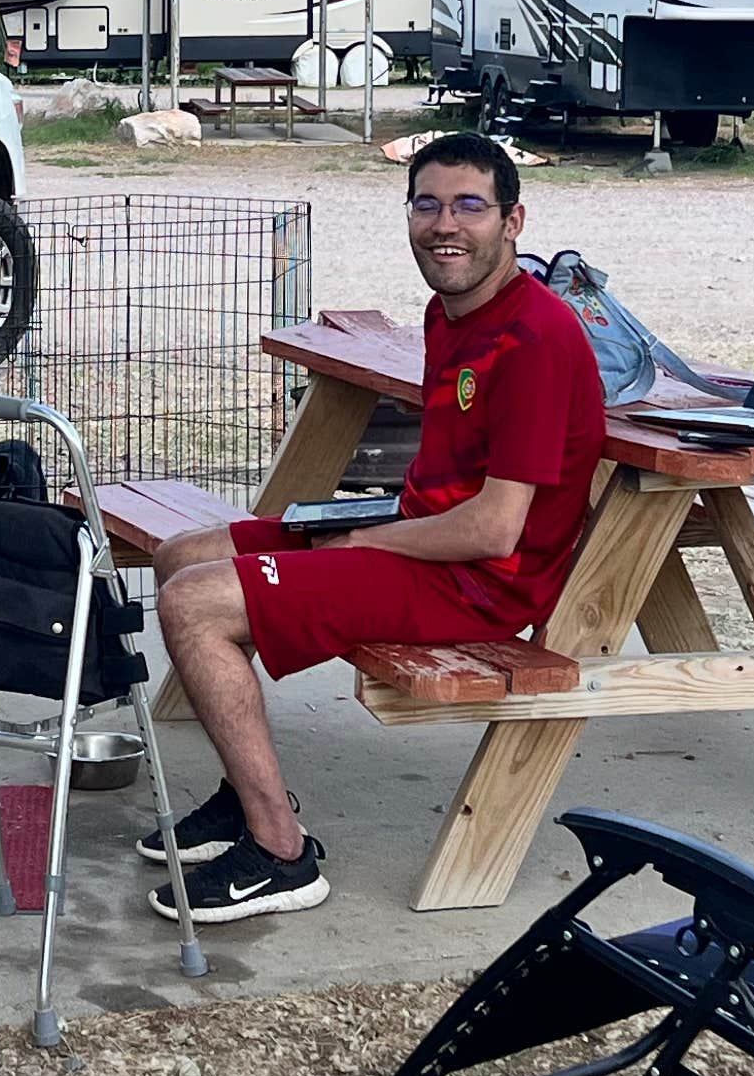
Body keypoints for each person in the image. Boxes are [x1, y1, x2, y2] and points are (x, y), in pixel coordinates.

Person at [140, 132, 607, 922]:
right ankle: (244, 793)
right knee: (181, 554)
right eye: (427, 205)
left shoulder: (534, 338)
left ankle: (282, 853)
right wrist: (363, 531)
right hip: (419, 536)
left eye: (470, 207)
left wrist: (362, 543)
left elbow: (496, 530)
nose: (445, 226)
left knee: (196, 605)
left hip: (478, 584)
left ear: (514, 221)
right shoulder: (449, 310)